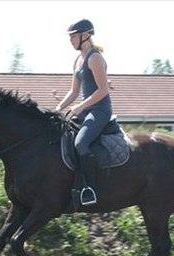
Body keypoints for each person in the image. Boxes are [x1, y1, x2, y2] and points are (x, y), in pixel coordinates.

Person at [55, 19, 113, 206]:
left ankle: (90, 189)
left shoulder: (95, 58)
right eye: (70, 37)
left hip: (100, 111)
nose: (70, 40)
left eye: (73, 36)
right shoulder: (78, 59)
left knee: (80, 143)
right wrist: (58, 109)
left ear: (86, 35)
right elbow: (73, 91)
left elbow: (103, 90)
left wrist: (80, 107)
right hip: (86, 111)